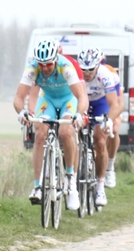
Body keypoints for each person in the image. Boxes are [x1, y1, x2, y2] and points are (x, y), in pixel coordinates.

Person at [14, 39, 89, 210]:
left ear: (56, 59)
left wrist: (79, 114)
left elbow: (81, 96)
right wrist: (22, 112)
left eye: (48, 64)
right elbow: (19, 97)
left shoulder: (66, 66)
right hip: (47, 99)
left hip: (67, 100)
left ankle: (71, 182)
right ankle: (37, 186)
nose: (45, 68)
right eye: (42, 64)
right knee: (40, 134)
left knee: (66, 132)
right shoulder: (32, 68)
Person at [77, 48, 122, 206]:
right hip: (81, 102)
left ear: (97, 66)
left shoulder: (105, 74)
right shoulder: (75, 73)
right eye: (84, 70)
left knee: (100, 140)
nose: (87, 73)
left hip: (100, 103)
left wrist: (109, 120)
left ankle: (101, 186)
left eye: (90, 70)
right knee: (68, 132)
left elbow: (114, 104)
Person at [100, 53, 125, 189]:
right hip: (92, 103)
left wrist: (112, 118)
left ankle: (110, 167)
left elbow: (119, 101)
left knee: (113, 131)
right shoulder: (84, 72)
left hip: (110, 105)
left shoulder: (110, 72)